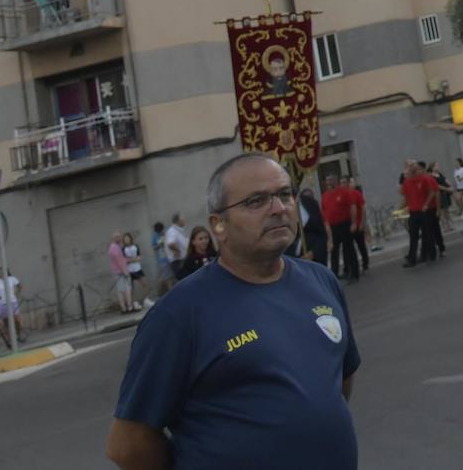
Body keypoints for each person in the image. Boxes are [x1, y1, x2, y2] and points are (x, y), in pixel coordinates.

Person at [106, 153, 360, 469]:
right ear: (218, 225)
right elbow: (128, 444)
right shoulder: (179, 314)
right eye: (256, 201)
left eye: (284, 194)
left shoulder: (322, 281)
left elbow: (338, 381)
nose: (279, 208)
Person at [399, 161, 439, 268]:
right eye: (409, 167)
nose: (411, 168)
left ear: (416, 168)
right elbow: (403, 194)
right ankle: (412, 259)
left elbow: (432, 192)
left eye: (412, 166)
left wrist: (426, 204)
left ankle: (431, 254)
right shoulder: (407, 181)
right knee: (413, 236)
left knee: (427, 234)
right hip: (413, 212)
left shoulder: (424, 178)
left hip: (423, 211)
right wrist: (402, 208)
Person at [321, 174, 360, 282]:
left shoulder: (344, 192)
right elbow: (324, 213)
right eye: (327, 180)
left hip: (345, 224)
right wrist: (327, 229)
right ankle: (334, 275)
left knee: (349, 249)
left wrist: (354, 223)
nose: (329, 181)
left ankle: (354, 273)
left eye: (331, 179)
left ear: (336, 180)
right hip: (333, 227)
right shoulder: (324, 195)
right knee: (334, 252)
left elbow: (352, 207)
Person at [294, 186, 329, 266]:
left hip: (314, 259)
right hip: (292, 262)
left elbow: (321, 234)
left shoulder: (310, 203)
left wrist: (313, 253)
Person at [0, 267, 23, 342]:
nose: (0, 274)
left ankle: (19, 336)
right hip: (2, 303)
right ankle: (9, 339)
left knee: (17, 319)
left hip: (12, 302)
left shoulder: (12, 279)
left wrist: (15, 294)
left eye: (1, 272)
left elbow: (19, 286)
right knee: (5, 321)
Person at [343, 177, 370, 273]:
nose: (344, 185)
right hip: (347, 226)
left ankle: (365, 263)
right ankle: (350, 267)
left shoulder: (356, 193)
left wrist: (362, 223)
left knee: (361, 245)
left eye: (345, 182)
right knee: (349, 248)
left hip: (358, 224)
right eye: (342, 183)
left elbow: (363, 208)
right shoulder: (343, 195)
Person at [109, 232, 135, 314]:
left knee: (121, 290)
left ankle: (124, 308)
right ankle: (129, 307)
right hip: (120, 273)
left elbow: (121, 259)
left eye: (120, 237)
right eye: (118, 237)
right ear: (115, 238)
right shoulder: (114, 248)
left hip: (118, 272)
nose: (120, 239)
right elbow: (119, 260)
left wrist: (127, 259)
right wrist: (125, 271)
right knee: (126, 289)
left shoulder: (115, 247)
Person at [429, 161, 455, 233]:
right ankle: (445, 226)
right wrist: (447, 189)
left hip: (444, 194)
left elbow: (446, 180)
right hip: (439, 194)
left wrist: (451, 186)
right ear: (432, 167)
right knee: (442, 211)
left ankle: (450, 225)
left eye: (438, 165)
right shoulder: (431, 176)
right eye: (436, 166)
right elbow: (437, 186)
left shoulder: (439, 174)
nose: (438, 167)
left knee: (446, 210)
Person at [164, 214, 189, 281]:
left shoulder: (178, 231)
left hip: (181, 261)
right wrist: (178, 251)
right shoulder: (172, 231)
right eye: (183, 219)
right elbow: (171, 244)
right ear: (178, 221)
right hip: (178, 262)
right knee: (185, 281)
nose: (184, 220)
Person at [151, 222, 173, 297]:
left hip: (170, 257)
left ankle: (171, 293)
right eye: (159, 230)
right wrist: (159, 245)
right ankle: (168, 293)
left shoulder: (166, 234)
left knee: (169, 277)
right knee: (166, 278)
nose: (161, 231)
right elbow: (154, 247)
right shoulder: (155, 237)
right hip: (162, 259)